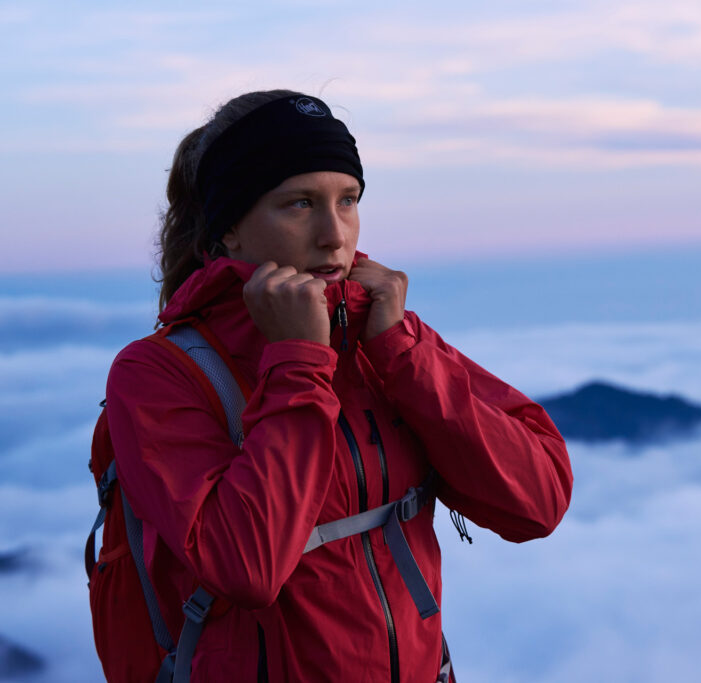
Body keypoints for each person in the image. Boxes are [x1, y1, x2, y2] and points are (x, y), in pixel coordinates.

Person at [103, 89, 573, 681]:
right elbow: (245, 566)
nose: (334, 234)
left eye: (347, 200)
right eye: (299, 204)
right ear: (230, 231)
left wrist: (403, 356)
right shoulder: (159, 373)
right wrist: (297, 358)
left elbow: (539, 502)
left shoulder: (382, 334)